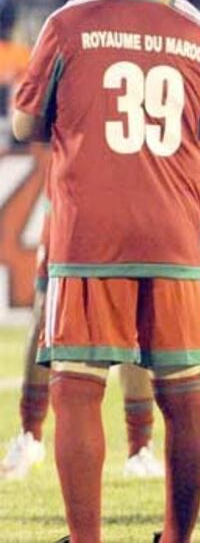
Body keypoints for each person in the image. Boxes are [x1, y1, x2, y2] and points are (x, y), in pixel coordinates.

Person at [11, 0, 200, 543]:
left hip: (89, 232)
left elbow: (24, 125)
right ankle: (177, 538)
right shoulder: (198, 33)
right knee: (183, 392)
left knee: (77, 388)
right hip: (171, 232)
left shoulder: (68, 24)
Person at [1, 197, 166, 481]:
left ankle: (140, 448)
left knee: (132, 314)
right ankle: (30, 435)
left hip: (131, 199)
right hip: (72, 200)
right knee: (46, 308)